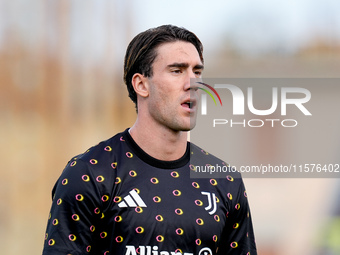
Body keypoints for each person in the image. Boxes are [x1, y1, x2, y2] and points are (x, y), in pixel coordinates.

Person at [42, 24, 257, 255]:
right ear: (141, 85)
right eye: (177, 71)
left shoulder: (224, 180)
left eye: (197, 71)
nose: (193, 83)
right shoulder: (89, 174)